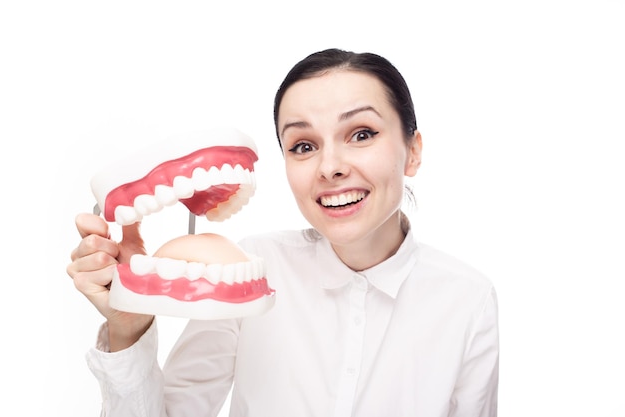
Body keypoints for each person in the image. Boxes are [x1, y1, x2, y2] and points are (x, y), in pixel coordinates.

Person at [67, 48, 499, 417]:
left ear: (413, 152)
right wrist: (128, 328)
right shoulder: (246, 272)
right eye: (303, 146)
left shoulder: (468, 300)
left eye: (361, 134)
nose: (330, 167)